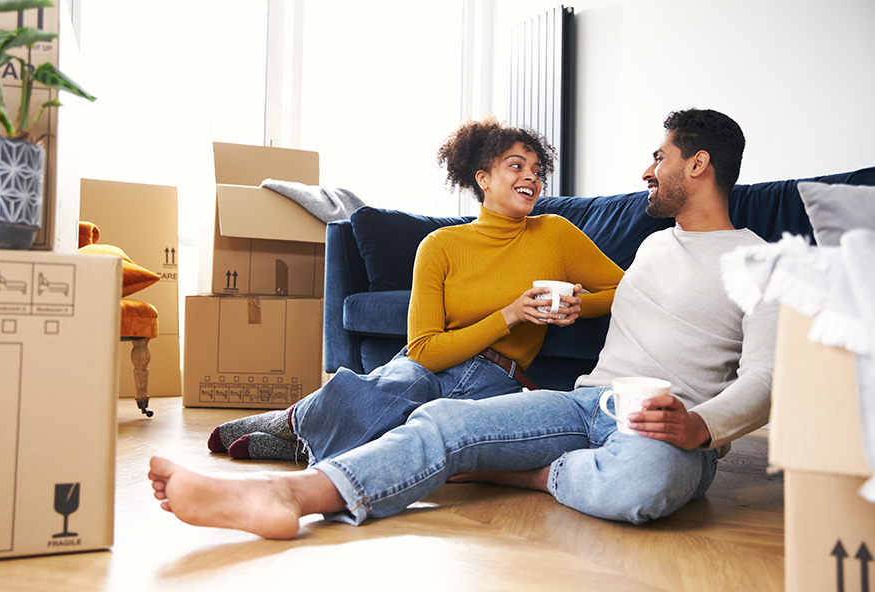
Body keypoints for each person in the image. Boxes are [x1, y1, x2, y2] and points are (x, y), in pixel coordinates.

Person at [149, 108, 778, 538]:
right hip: (585, 403)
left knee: (644, 483)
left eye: (658, 156)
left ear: (697, 165)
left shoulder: (765, 263)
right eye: (514, 166)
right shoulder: (651, 248)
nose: (646, 171)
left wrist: (700, 425)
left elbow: (769, 377)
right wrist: (558, 308)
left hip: (665, 428)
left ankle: (509, 469)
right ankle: (287, 496)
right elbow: (433, 345)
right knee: (435, 415)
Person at [205, 117, 624, 464]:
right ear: (483, 178)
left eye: (536, 169)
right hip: (429, 363)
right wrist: (510, 315)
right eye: (517, 166)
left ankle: (296, 432)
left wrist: (579, 305)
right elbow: (423, 349)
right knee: (402, 385)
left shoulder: (555, 233)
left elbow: (627, 288)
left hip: (497, 375)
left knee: (415, 423)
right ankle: (294, 426)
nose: (530, 176)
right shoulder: (441, 245)